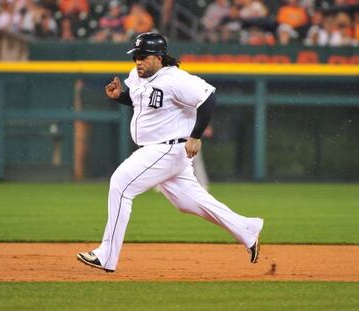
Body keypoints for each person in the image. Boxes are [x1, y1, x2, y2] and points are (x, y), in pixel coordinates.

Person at [77, 32, 264, 273]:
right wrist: (120, 97)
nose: (138, 61)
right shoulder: (137, 76)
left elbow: (208, 98)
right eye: (136, 56)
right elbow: (143, 103)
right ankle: (246, 228)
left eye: (143, 56)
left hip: (169, 147)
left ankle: (106, 255)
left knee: (121, 184)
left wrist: (195, 136)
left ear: (159, 57)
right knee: (188, 202)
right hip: (160, 151)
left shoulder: (175, 79)